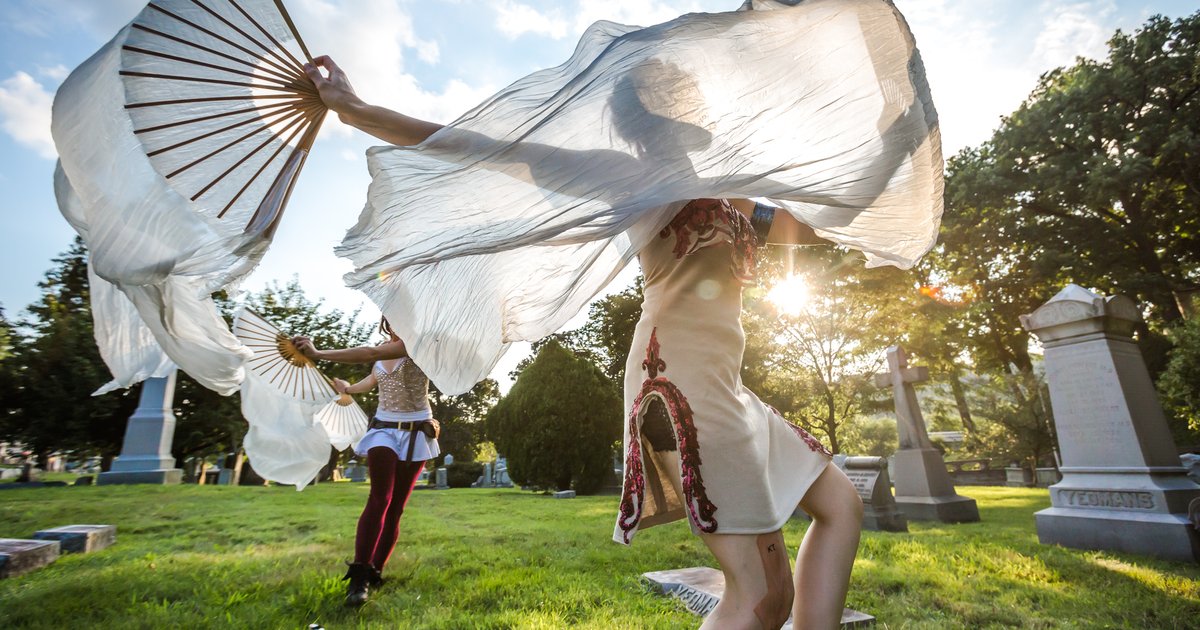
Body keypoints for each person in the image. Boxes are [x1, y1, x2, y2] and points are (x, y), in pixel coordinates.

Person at [303, 44, 867, 627]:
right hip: (680, 384)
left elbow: (825, 224)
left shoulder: (739, 195)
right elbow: (489, 151)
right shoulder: (634, 178)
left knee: (840, 506)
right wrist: (356, 109)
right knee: (761, 596)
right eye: (657, 108)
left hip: (729, 383)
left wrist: (897, 184)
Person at [293, 318, 440, 607]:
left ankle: (376, 571)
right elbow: (371, 380)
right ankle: (359, 575)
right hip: (383, 430)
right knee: (379, 498)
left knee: (396, 508)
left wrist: (318, 353)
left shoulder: (417, 344)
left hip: (415, 432)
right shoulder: (384, 350)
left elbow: (369, 354)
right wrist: (348, 387)